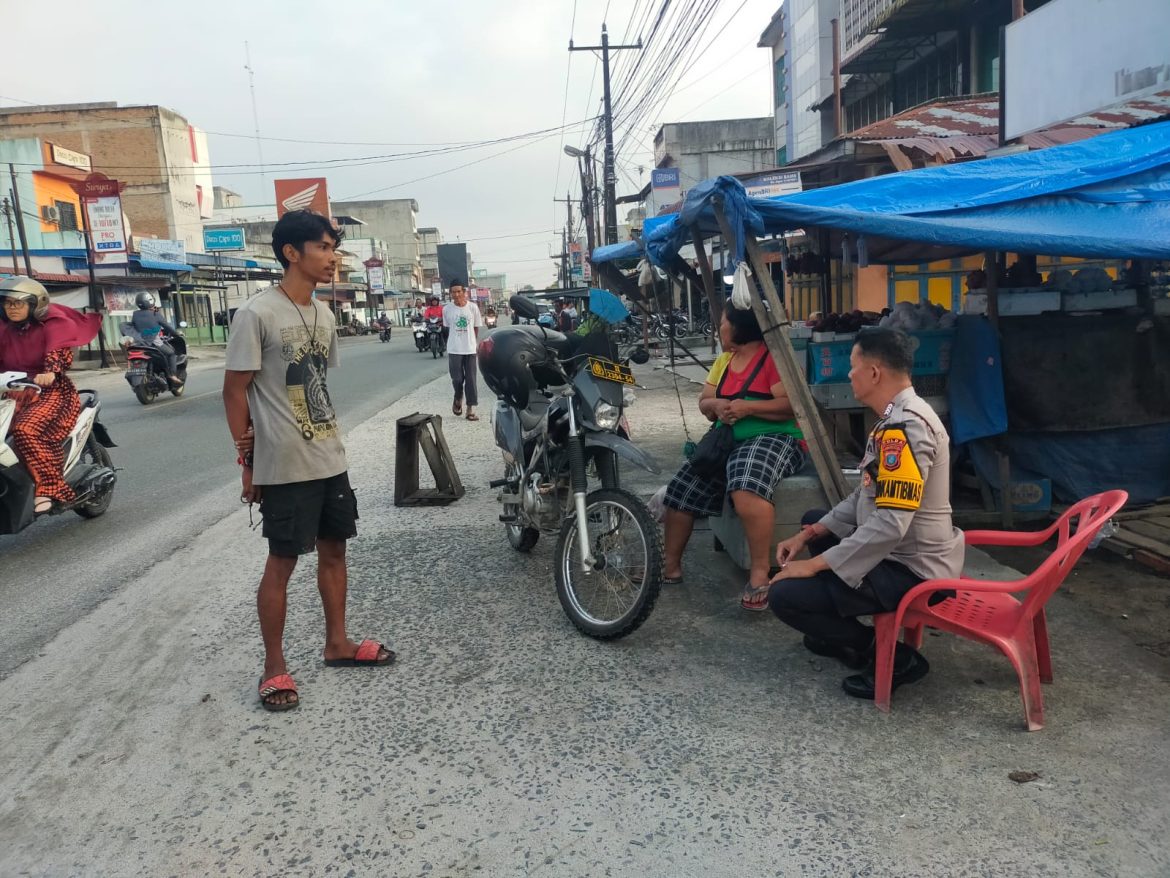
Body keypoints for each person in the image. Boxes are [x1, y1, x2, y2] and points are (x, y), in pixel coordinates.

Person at [223, 209, 395, 713]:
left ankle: (337, 644)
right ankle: (274, 666)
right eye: (322, 247)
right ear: (291, 252)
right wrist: (248, 463)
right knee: (282, 562)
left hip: (328, 455)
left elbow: (316, 385)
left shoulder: (324, 314)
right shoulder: (256, 314)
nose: (331, 257)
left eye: (333, 248)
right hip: (283, 463)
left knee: (335, 552)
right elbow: (235, 394)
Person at [767, 328, 963, 700]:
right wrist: (808, 536)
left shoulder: (903, 429)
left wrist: (816, 564)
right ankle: (843, 634)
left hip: (914, 568)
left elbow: (890, 524)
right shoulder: (896, 418)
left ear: (874, 372)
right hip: (902, 551)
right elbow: (866, 494)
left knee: (785, 596)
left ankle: (891, 655)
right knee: (815, 520)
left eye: (853, 367)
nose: (849, 376)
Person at [662, 306, 807, 608]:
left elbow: (790, 405)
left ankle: (759, 575)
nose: (720, 326)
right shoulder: (724, 360)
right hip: (726, 438)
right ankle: (670, 567)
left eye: (724, 321)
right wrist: (717, 406)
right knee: (681, 489)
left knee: (745, 485)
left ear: (740, 326)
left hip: (774, 437)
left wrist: (749, 407)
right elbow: (704, 402)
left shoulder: (771, 359)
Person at [0, 276, 101, 514]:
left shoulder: (53, 325)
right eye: (8, 303)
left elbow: (57, 353)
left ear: (35, 305)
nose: (12, 308)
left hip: (48, 391)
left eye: (19, 303)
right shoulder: (4, 329)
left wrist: (51, 372)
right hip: (8, 392)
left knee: (26, 430)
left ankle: (49, 486)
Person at [443, 280, 484, 421]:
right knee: (457, 378)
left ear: (464, 292)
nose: (456, 294)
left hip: (470, 349)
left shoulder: (473, 308)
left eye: (459, 291)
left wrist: (472, 342)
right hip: (454, 349)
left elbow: (476, 327)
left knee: (471, 380)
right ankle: (458, 397)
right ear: (450, 293)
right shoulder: (447, 309)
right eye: (453, 292)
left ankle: (470, 409)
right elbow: (448, 327)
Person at [130, 292, 182, 385]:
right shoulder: (155, 314)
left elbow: (134, 327)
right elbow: (166, 326)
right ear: (149, 302)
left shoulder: (135, 314)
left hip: (139, 343)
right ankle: (172, 375)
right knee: (171, 353)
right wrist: (176, 334)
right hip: (154, 343)